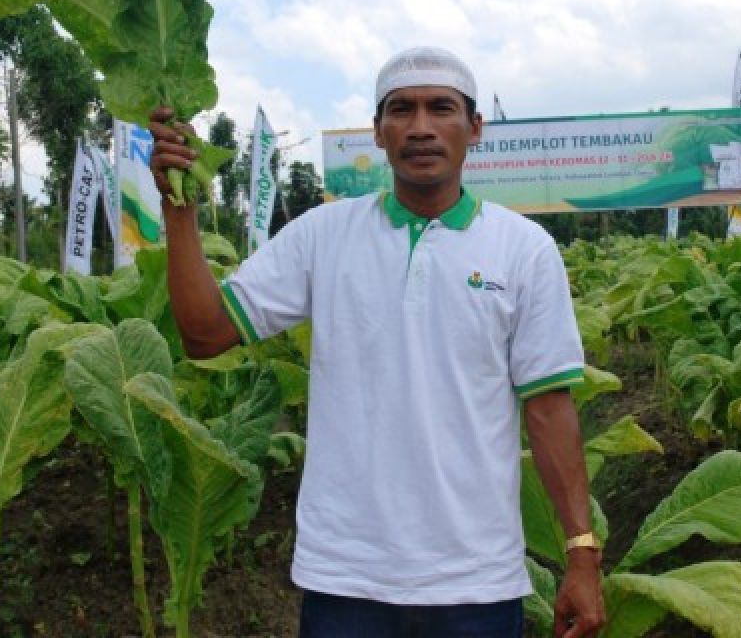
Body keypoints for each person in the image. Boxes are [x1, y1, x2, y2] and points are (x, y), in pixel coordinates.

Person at [149, 47, 605, 638]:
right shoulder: (320, 236)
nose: (420, 126)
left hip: (476, 577)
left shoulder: (524, 249)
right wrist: (178, 209)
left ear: (474, 128)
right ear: (378, 131)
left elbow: (549, 410)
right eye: (401, 110)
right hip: (347, 575)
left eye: (441, 108)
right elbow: (206, 334)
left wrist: (582, 553)